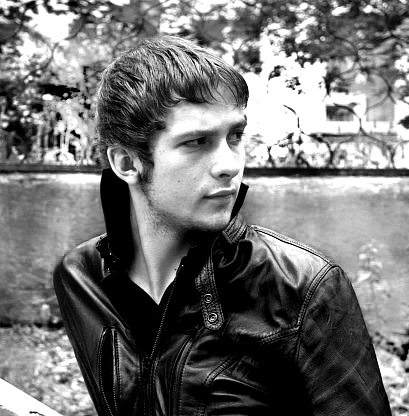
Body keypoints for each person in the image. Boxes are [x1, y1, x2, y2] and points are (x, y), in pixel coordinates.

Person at [53, 36, 391, 416]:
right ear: (128, 163)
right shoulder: (82, 278)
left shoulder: (303, 288)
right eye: (197, 142)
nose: (230, 165)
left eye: (235, 136)